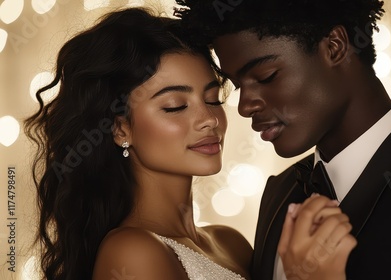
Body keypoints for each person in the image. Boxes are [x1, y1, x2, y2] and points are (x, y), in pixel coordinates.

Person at [176, 0, 391, 279]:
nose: (246, 106)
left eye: (266, 76)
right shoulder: (280, 191)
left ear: (335, 46)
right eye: (237, 84)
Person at [24, 7, 355, 280]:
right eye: (175, 106)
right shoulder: (132, 253)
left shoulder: (231, 243)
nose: (209, 119)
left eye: (212, 99)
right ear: (120, 128)